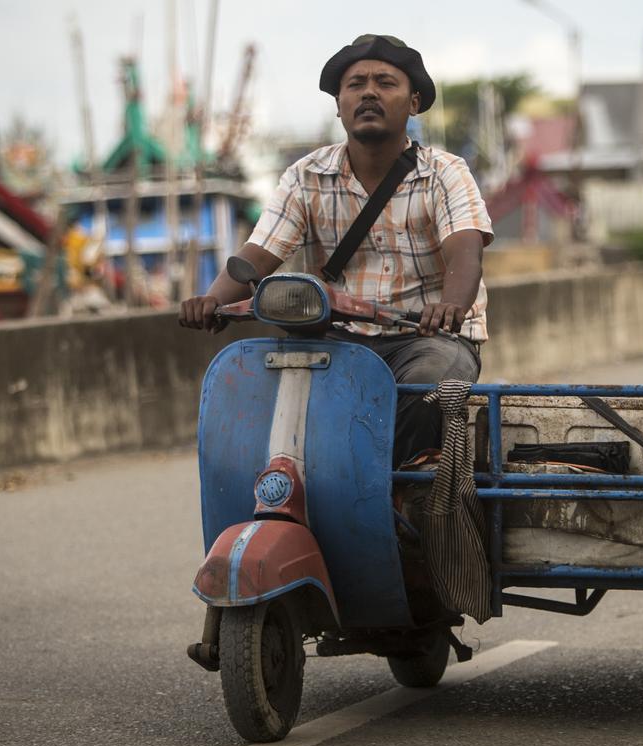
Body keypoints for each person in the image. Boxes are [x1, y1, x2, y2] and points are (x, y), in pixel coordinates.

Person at [179, 34, 494, 466]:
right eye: (356, 84)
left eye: (385, 83)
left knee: (428, 391)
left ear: (414, 103)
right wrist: (213, 300)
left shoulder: (445, 172)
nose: (368, 92)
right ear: (339, 104)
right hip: (337, 338)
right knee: (270, 409)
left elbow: (466, 250)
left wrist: (451, 307)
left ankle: (405, 510)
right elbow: (258, 253)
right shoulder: (304, 176)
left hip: (425, 338)